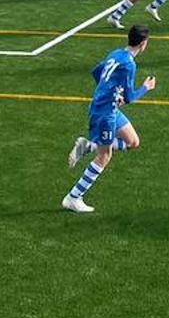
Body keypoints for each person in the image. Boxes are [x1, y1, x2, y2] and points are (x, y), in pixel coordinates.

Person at [62, 25, 158, 214]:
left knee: (133, 142)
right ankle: (73, 197)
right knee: (104, 156)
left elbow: (96, 72)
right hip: (105, 114)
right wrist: (146, 87)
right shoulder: (130, 64)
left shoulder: (116, 53)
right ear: (143, 44)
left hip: (107, 107)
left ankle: (88, 146)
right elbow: (130, 97)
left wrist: (111, 92)